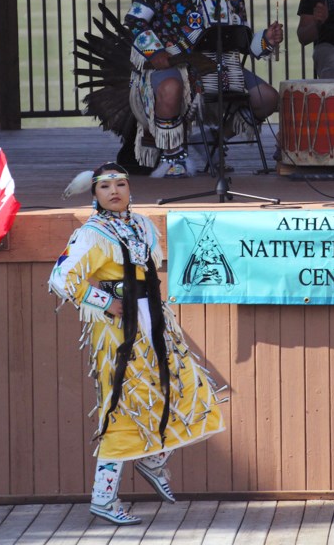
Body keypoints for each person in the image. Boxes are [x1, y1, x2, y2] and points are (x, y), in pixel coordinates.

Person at [49, 163, 226, 525]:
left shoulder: (143, 224)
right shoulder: (91, 233)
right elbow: (61, 277)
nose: (114, 191)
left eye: (121, 184)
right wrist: (103, 302)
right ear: (94, 194)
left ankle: (152, 457)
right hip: (119, 329)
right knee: (122, 404)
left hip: (155, 320)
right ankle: (104, 496)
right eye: (105, 186)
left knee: (183, 387)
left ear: (130, 189)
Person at [124, 0, 283, 178]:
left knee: (268, 98)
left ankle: (211, 139)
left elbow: (246, 46)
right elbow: (135, 21)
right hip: (173, 63)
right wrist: (155, 52)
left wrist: (266, 40)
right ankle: (174, 157)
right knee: (173, 87)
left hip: (221, 68)